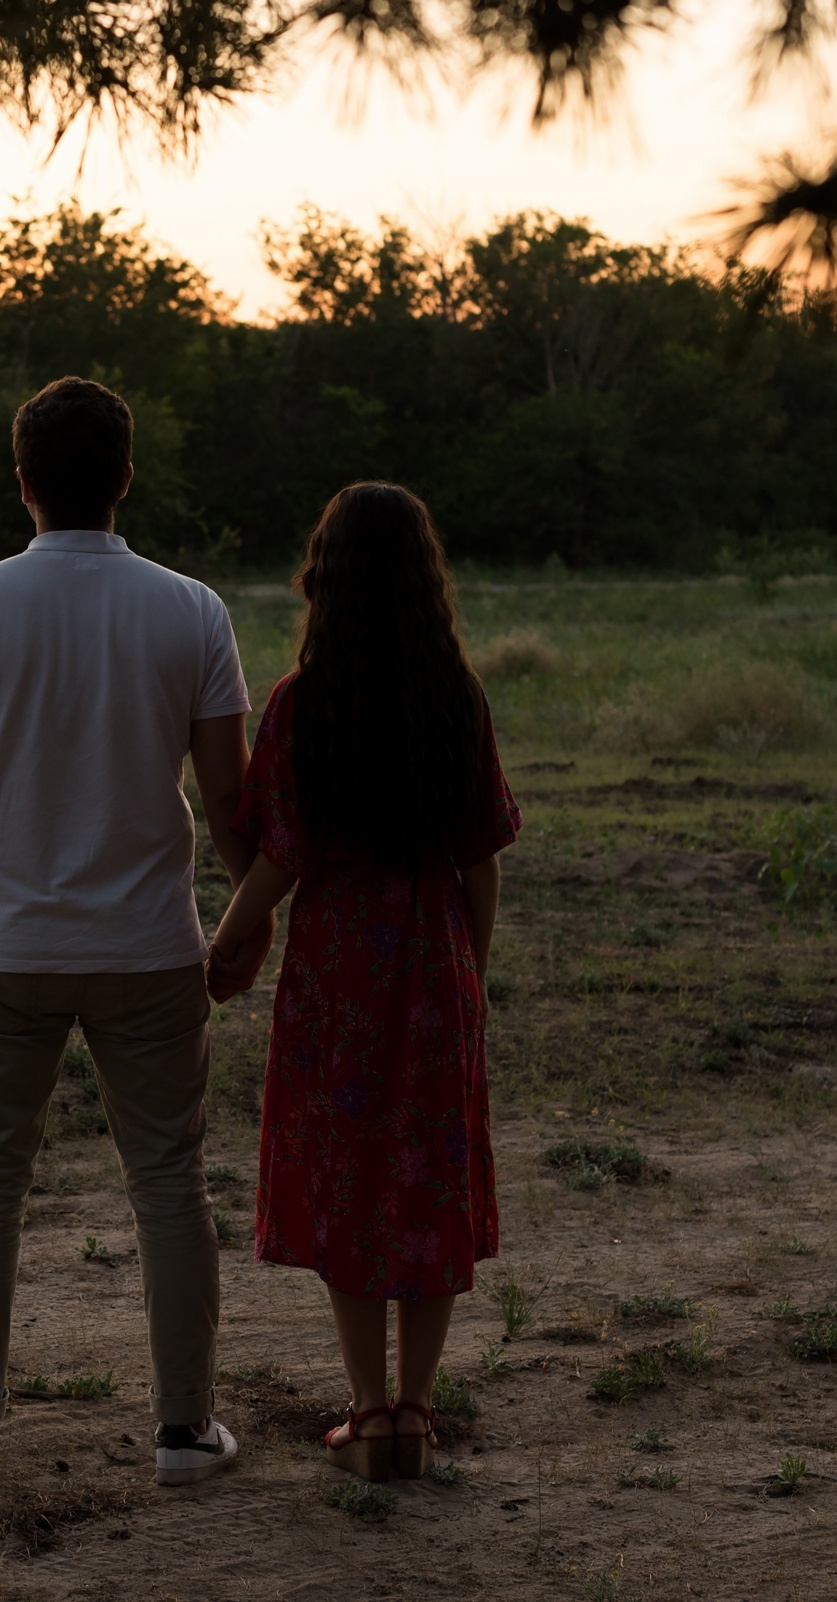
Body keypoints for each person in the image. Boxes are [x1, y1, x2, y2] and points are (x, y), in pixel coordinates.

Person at [0, 375, 269, 1489]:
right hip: (151, 950)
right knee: (169, 1184)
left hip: (0, 949)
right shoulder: (191, 610)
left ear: (23, 483)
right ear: (126, 481)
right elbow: (232, 796)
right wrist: (246, 918)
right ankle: (185, 1435)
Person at [205, 481, 519, 1483]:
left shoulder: (305, 706)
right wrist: (465, 968)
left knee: (345, 1182)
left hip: (336, 973)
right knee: (425, 1183)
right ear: (428, 580)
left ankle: (367, 1408)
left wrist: (227, 942)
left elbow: (282, 854)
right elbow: (481, 860)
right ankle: (417, 1415)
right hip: (432, 967)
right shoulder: (456, 701)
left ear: (324, 578)